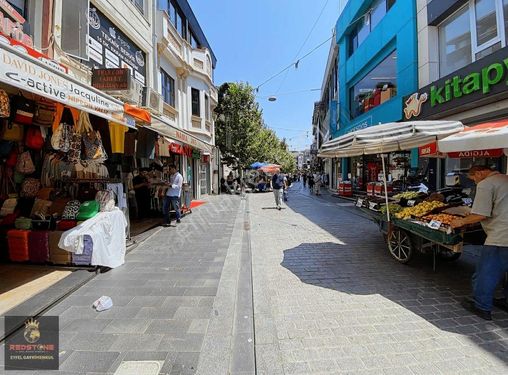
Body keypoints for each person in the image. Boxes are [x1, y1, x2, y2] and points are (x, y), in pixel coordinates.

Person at [451, 166, 508, 320]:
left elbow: (481, 214)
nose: (474, 182)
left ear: (480, 173)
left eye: (473, 178)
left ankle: (481, 306)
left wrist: (460, 221)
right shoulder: (505, 179)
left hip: (501, 236)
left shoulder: (486, 184)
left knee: (485, 272)